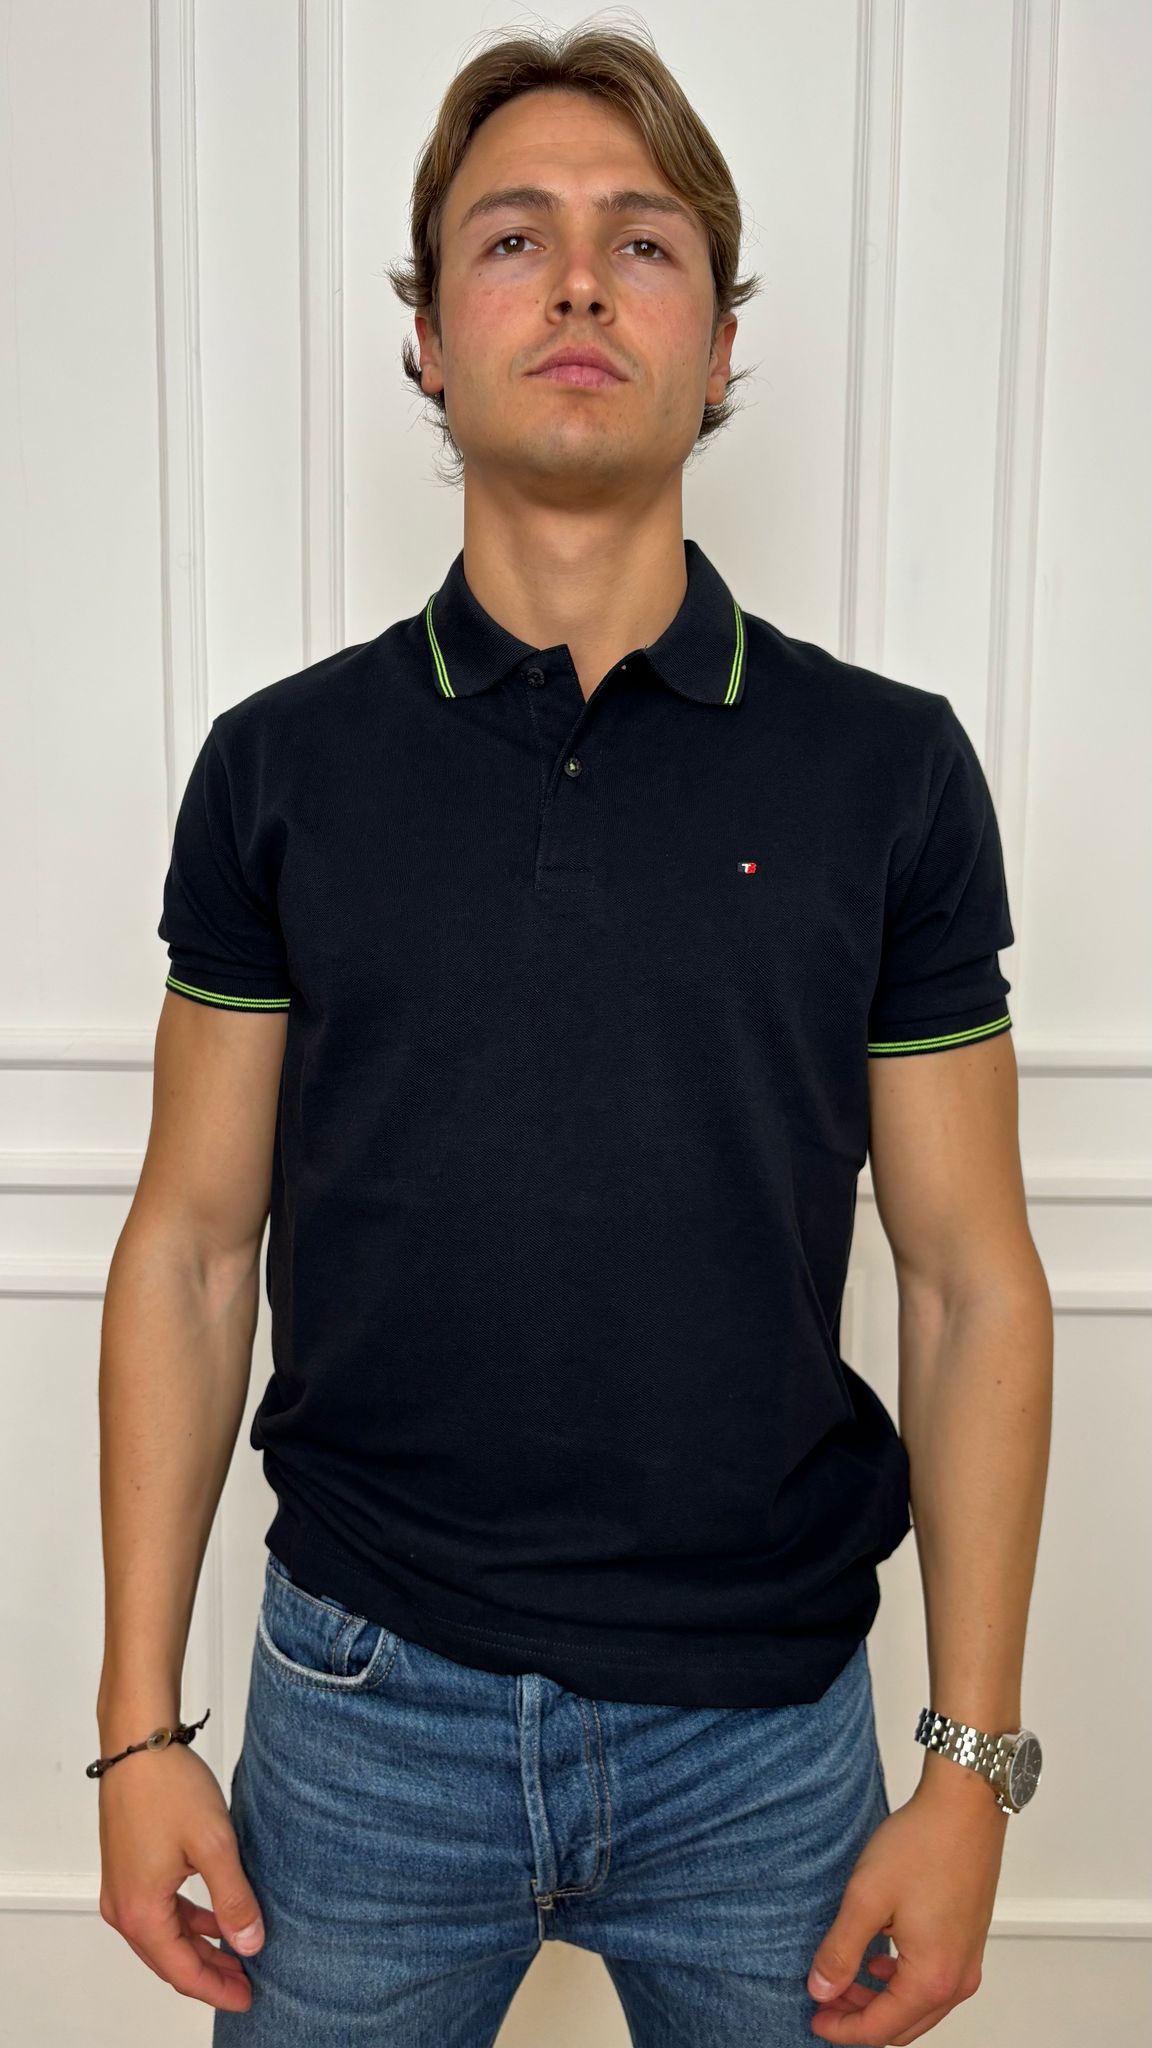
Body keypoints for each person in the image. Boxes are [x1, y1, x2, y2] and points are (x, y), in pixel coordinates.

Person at [93, 22, 1053, 2046]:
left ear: (721, 343)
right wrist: (136, 1728)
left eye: (646, 242)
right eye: (514, 238)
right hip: (360, 1716)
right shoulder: (278, 770)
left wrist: (969, 1767)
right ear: (430, 338)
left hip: (769, 1738)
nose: (585, 283)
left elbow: (970, 1277)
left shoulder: (888, 772)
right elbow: (187, 1246)